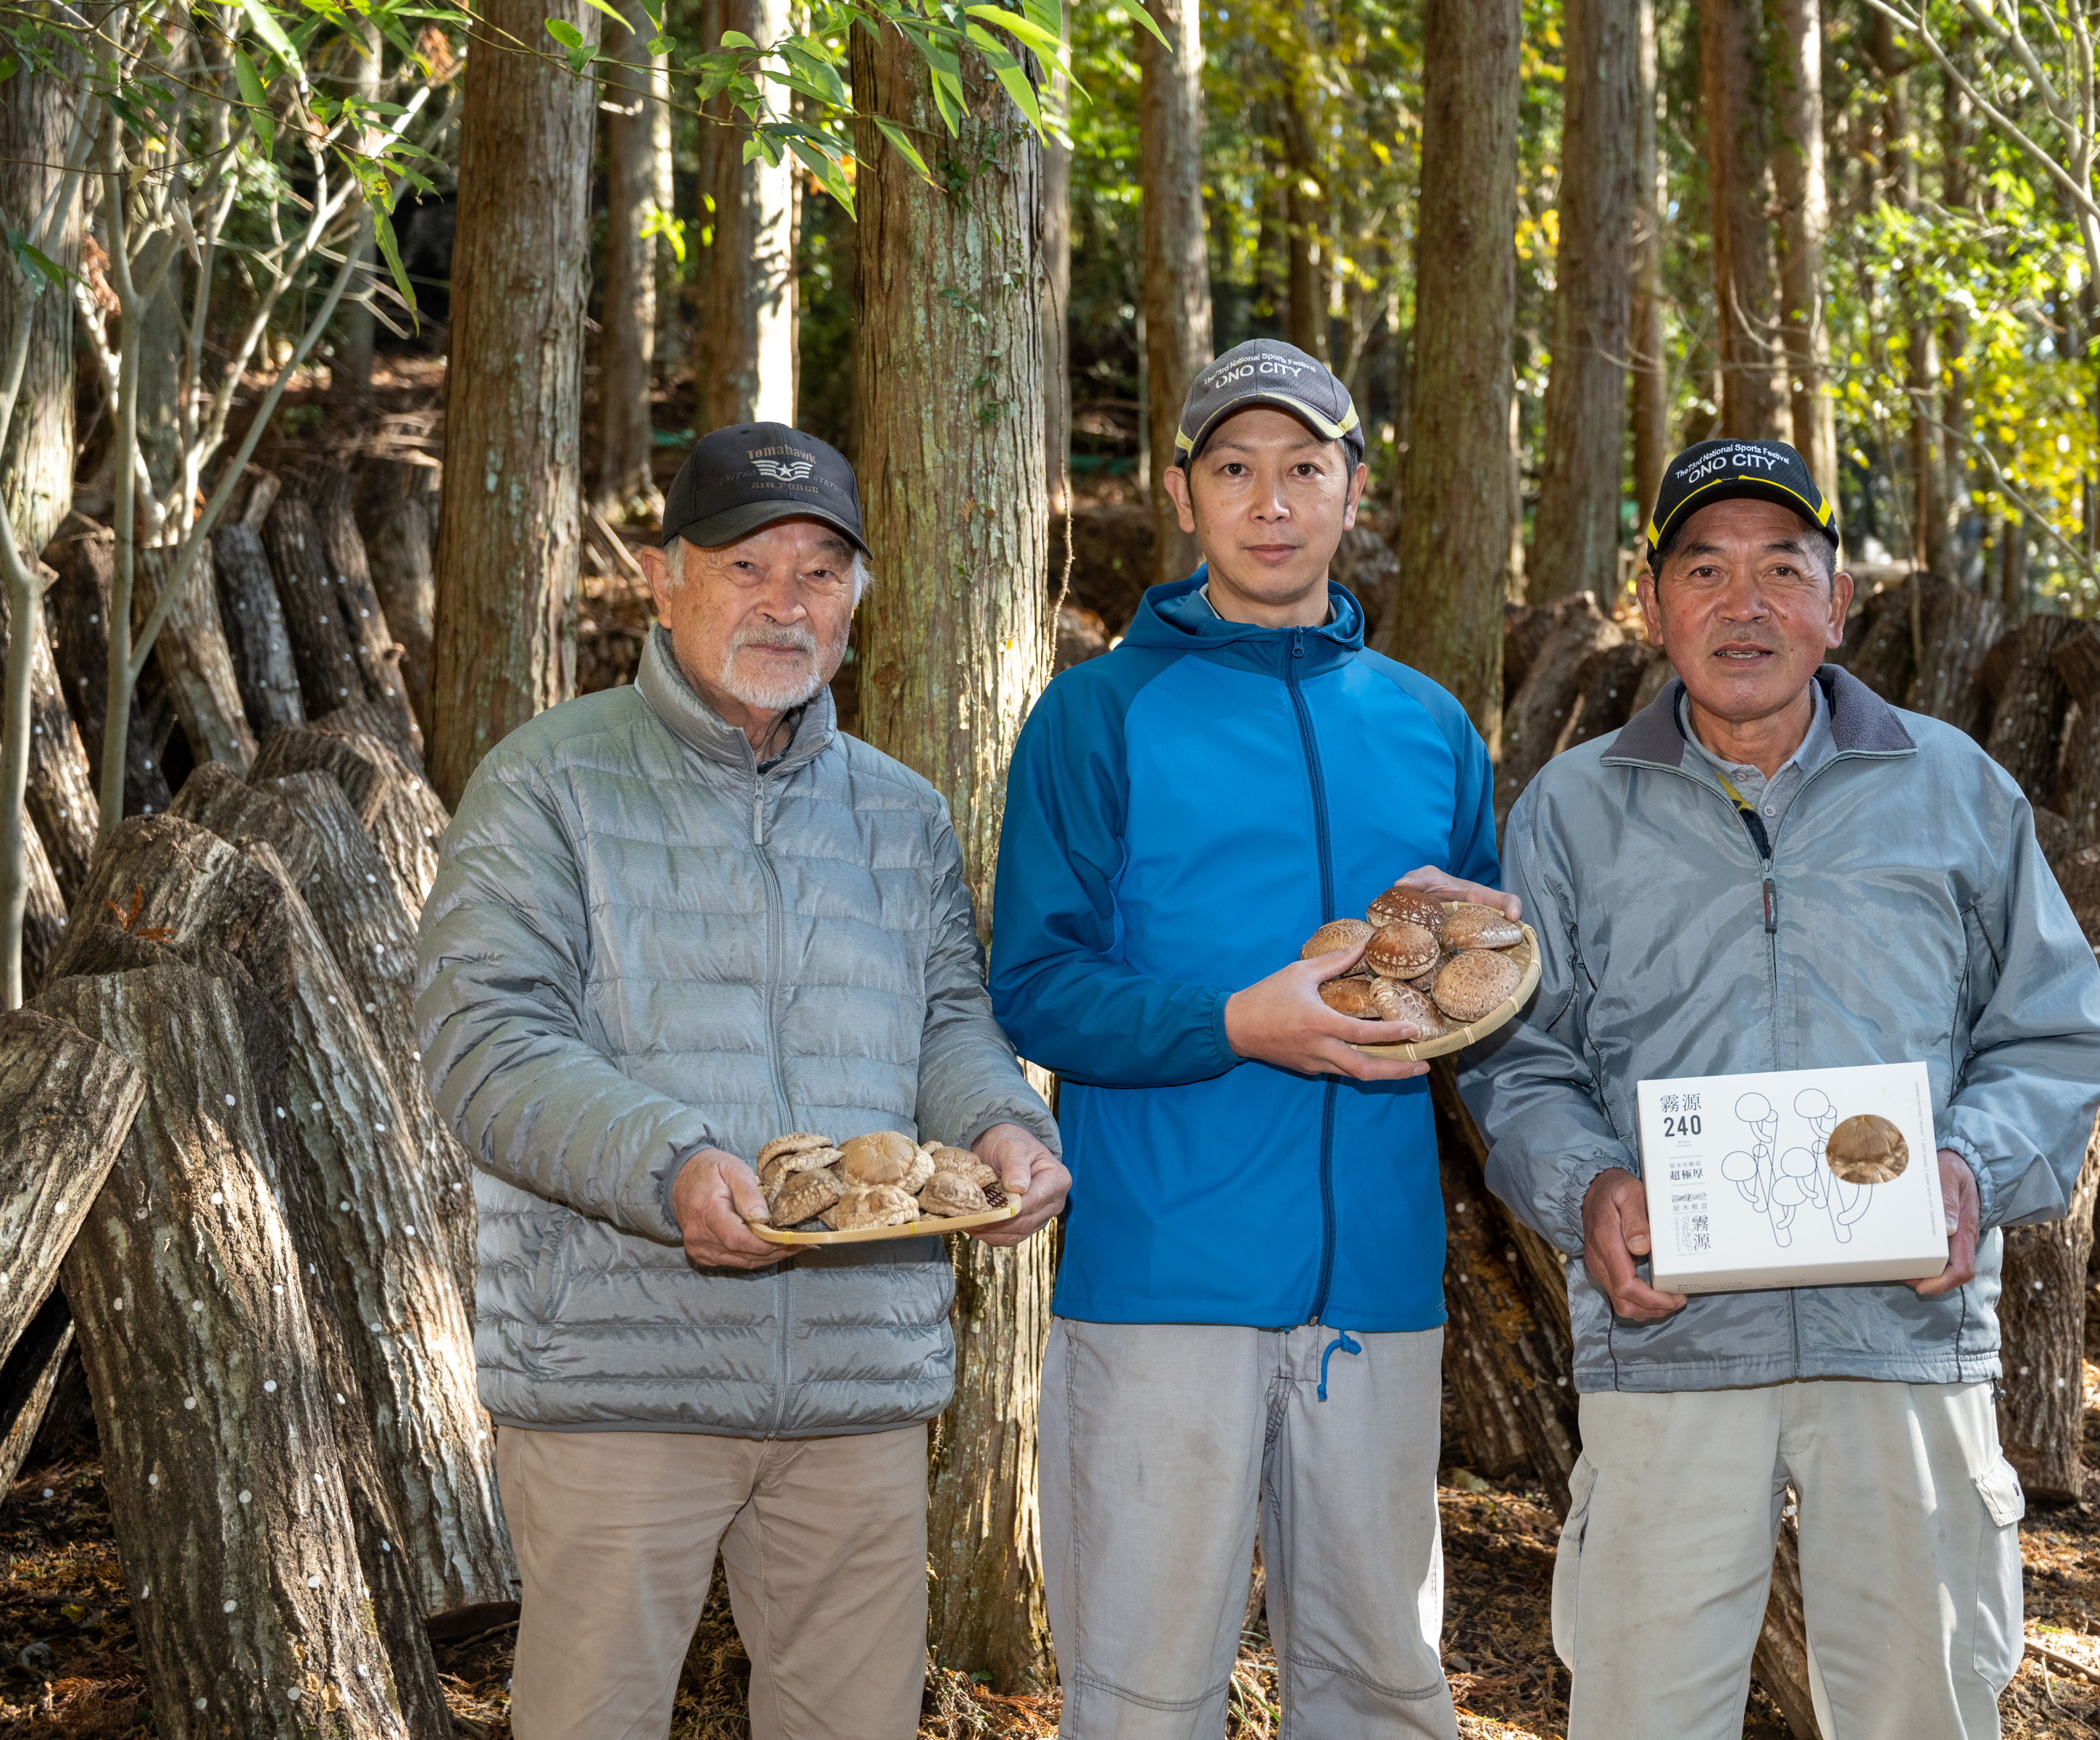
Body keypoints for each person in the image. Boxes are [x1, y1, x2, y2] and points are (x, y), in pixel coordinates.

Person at [1462, 438, 2100, 1739]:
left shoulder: (1952, 791)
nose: (1742, 602)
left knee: (1921, 1709)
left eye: (1782, 566)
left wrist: (1970, 1168)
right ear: (1652, 605)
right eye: (1703, 567)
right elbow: (1515, 1055)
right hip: (1668, 1343)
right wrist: (1587, 1185)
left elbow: (2056, 1036)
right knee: (1643, 1709)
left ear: (1840, 602)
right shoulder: (1571, 812)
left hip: (1905, 1335)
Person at [415, 422, 1068, 1740]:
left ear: (856, 602)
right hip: (623, 1376)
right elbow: (485, 1040)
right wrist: (672, 1168)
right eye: (744, 564)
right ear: (665, 578)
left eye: (821, 571)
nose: (785, 603)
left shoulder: (899, 813)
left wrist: (999, 1123)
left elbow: (948, 1021)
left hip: (856, 1383)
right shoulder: (550, 784)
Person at [989, 338, 1501, 1739]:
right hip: (1163, 1280)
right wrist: (1234, 1024)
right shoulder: (1098, 715)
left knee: (1386, 1691)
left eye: (1303, 469)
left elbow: (1476, 994)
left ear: (1352, 491)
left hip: (1380, 1289)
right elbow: (1033, 984)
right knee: (1148, 1696)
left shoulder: (1433, 730)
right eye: (1234, 470)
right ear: (1183, 493)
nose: (1270, 502)